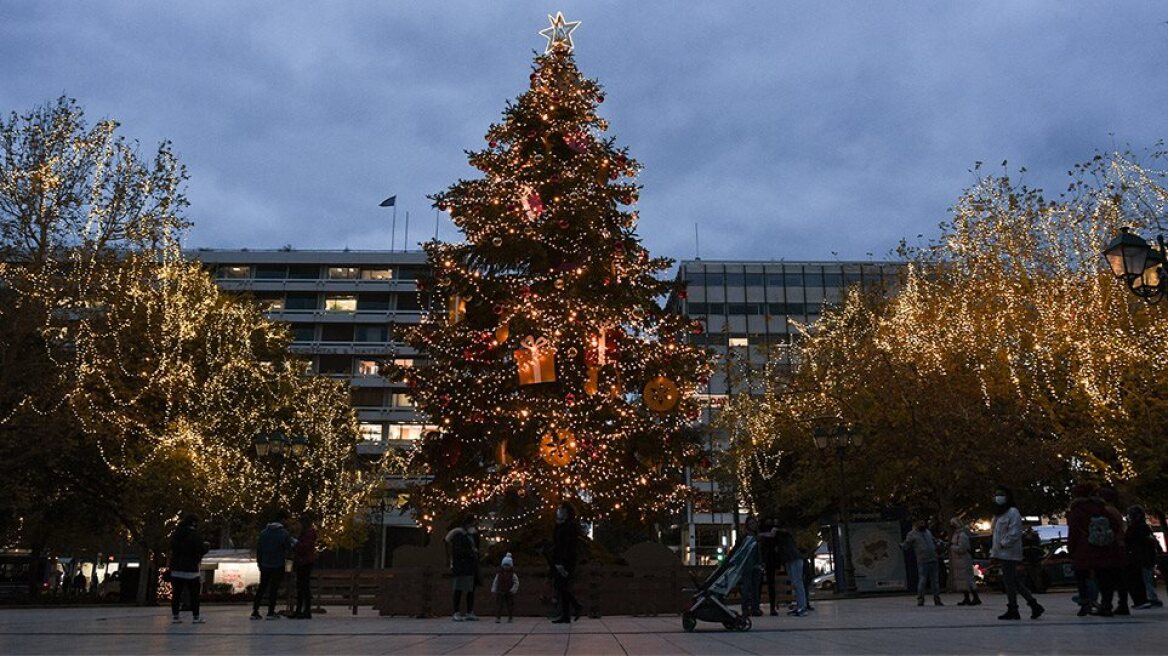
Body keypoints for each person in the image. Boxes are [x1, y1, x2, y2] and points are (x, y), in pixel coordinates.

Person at [992, 486, 1044, 620]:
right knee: (1012, 581)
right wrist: (994, 552)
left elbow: (1015, 532)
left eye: (1001, 494)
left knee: (1010, 581)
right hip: (1002, 553)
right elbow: (995, 535)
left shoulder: (1013, 512)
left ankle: (1014, 608)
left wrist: (1004, 544)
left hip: (1010, 553)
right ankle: (1033, 605)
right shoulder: (998, 514)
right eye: (997, 494)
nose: (998, 497)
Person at [252, 512, 296, 620]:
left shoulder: (263, 533)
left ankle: (255, 611)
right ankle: (270, 612)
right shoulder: (283, 534)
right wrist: (288, 568)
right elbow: (289, 550)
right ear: (282, 520)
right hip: (278, 564)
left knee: (262, 588)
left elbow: (259, 550)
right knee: (274, 588)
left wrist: (260, 563)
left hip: (265, 564)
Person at [168, 515, 210, 624]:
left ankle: (175, 616)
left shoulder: (176, 534)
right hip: (191, 570)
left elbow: (172, 548)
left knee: (176, 594)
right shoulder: (195, 535)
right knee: (194, 595)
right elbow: (201, 549)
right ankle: (196, 617)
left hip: (176, 569)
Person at [1097, 487, 1131, 615]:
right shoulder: (1115, 511)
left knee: (1107, 578)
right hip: (1119, 546)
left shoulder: (1106, 511)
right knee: (1119, 578)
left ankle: (1107, 604)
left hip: (1111, 547)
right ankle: (1122, 604)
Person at [551, 502, 582, 623]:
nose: (558, 511)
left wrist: (562, 562)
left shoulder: (571, 526)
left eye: (561, 509)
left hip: (566, 561)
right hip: (559, 559)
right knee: (561, 586)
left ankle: (576, 606)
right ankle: (567, 614)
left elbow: (569, 545)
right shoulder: (561, 525)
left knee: (562, 585)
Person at [1126, 506, 1163, 609]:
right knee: (1147, 578)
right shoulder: (1144, 527)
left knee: (1145, 578)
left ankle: (1152, 598)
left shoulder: (1137, 528)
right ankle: (1151, 597)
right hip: (1146, 557)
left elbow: (1129, 541)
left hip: (1141, 557)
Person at [446, 515, 480, 621]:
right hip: (461, 567)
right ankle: (456, 612)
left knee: (470, 590)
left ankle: (469, 611)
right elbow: (457, 551)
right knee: (458, 589)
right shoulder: (459, 535)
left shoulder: (473, 535)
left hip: (471, 566)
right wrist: (470, 553)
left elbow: (477, 546)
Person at [901, 519, 942, 606]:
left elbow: (934, 540)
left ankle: (937, 598)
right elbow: (907, 544)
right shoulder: (912, 534)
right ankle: (920, 599)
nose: (923, 525)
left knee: (935, 581)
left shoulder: (927, 532)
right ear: (916, 524)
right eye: (921, 523)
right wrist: (903, 546)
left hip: (933, 558)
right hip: (923, 560)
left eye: (923, 523)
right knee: (922, 580)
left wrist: (939, 543)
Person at [774, 525, 808, 616]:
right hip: (791, 559)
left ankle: (802, 607)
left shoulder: (784, 537)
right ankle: (800, 605)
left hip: (793, 559)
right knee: (796, 583)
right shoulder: (785, 538)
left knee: (797, 583)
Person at [949, 517, 981, 606]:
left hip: (963, 560)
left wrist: (952, 547)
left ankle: (975, 597)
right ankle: (966, 597)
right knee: (962, 580)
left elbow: (963, 548)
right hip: (958, 561)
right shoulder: (957, 535)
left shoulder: (962, 535)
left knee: (968, 579)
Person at [291, 512, 317, 619]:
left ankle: (305, 610)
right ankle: (300, 610)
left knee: (304, 587)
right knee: (301, 587)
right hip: (303, 561)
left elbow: (304, 547)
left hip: (304, 562)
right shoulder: (307, 533)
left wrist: (295, 543)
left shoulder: (309, 533)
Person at [737, 515, 764, 617]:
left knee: (755, 587)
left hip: (756, 563)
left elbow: (760, 552)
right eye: (751, 524)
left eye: (754, 523)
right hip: (747, 563)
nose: (753, 525)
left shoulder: (758, 536)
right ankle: (746, 608)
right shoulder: (747, 536)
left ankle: (755, 608)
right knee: (747, 586)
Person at [758, 518, 780, 616]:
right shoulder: (773, 531)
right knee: (770, 584)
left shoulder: (762, 531)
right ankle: (772, 607)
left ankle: (758, 606)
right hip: (769, 559)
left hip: (765, 559)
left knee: (760, 584)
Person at [491, 553, 519, 623]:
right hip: (500, 591)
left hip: (509, 592)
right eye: (505, 565)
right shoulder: (499, 574)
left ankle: (510, 617)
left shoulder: (513, 575)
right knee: (499, 605)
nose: (506, 567)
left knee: (510, 606)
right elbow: (495, 582)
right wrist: (494, 589)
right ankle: (498, 617)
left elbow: (516, 582)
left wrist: (513, 590)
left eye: (508, 565)